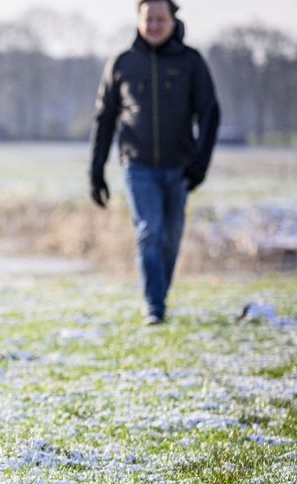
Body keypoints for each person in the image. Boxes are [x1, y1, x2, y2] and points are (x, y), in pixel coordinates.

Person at [89, 0, 220, 325]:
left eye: (161, 19)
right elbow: (104, 118)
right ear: (139, 20)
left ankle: (158, 298)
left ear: (173, 21)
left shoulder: (191, 62)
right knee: (150, 230)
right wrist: (96, 171)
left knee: (170, 238)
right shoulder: (122, 62)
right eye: (149, 19)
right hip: (138, 164)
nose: (154, 25)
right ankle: (154, 308)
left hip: (179, 166)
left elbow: (209, 114)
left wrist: (200, 163)